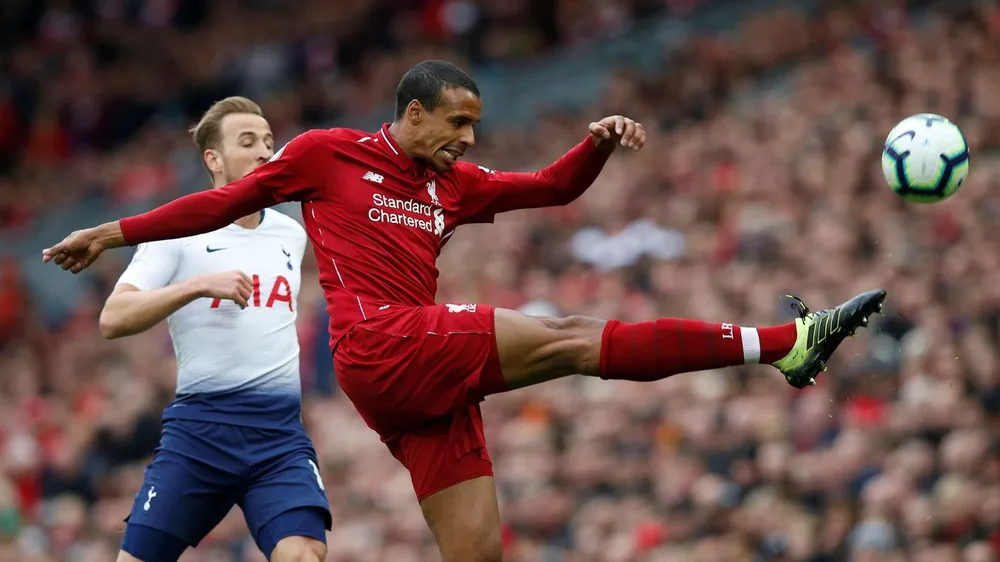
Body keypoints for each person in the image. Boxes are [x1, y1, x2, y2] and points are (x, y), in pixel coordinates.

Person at [44, 61, 885, 562]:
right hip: (377, 343)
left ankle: (787, 347)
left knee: (481, 552)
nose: (470, 140)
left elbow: (551, 188)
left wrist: (594, 144)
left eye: (475, 125)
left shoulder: (456, 184)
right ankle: (788, 343)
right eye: (456, 123)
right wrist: (112, 233)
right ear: (411, 115)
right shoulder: (325, 156)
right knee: (564, 337)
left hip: (419, 380)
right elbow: (213, 209)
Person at [96, 97, 330, 562]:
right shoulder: (177, 230)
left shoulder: (291, 232)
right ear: (214, 159)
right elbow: (113, 318)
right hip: (200, 436)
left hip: (278, 437)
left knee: (303, 553)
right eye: (248, 142)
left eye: (268, 142)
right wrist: (197, 285)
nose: (265, 152)